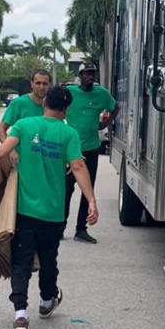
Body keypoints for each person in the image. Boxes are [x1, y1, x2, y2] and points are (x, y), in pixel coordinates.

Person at [0, 86, 98, 329]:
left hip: (24, 210)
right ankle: (46, 301)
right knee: (48, 259)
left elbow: (1, 151)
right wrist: (91, 200)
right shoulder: (68, 133)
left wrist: (10, 168)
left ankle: (20, 315)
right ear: (66, 110)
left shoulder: (24, 125)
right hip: (53, 212)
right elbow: (77, 165)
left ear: (44, 104)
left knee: (21, 260)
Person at [63, 63, 117, 243]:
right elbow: (53, 106)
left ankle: (81, 230)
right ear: (80, 75)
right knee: (66, 190)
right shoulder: (70, 92)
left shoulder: (101, 93)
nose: (91, 76)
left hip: (92, 149)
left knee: (87, 190)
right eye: (87, 73)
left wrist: (104, 124)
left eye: (93, 73)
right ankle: (60, 227)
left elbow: (114, 108)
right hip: (71, 150)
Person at [0, 69, 51, 144]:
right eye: (38, 83)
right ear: (32, 84)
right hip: (21, 154)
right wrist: (11, 151)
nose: (41, 87)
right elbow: (1, 129)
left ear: (49, 85)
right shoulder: (18, 103)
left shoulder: (53, 105)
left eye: (45, 84)